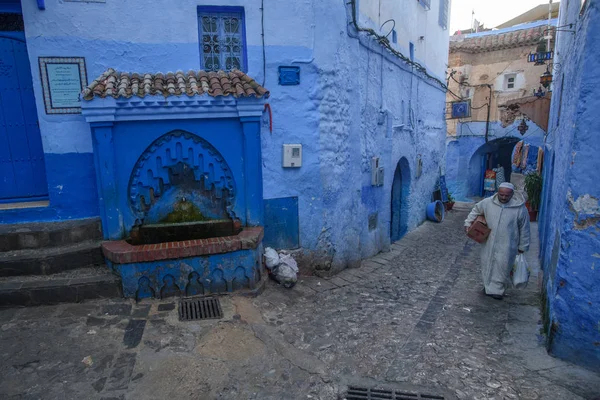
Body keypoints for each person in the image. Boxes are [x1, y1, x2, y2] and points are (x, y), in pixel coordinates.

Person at [464, 182, 530, 300]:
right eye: (501, 195)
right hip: (489, 241)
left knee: (502, 266)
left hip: (508, 244)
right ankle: (488, 286)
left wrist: (523, 246)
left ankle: (498, 290)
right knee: (487, 263)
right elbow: (476, 210)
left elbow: (524, 228)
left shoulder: (520, 209)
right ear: (498, 193)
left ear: (512, 195)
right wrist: (468, 223)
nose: (503, 198)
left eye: (506, 196)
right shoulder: (488, 202)